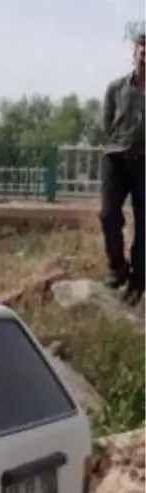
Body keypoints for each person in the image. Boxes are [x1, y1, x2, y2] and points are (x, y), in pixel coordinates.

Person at [100, 31, 146, 304]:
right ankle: (117, 268)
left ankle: (141, 276)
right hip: (116, 158)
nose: (145, 56)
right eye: (142, 51)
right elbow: (106, 123)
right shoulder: (116, 88)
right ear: (134, 53)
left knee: (145, 222)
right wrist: (122, 142)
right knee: (108, 216)